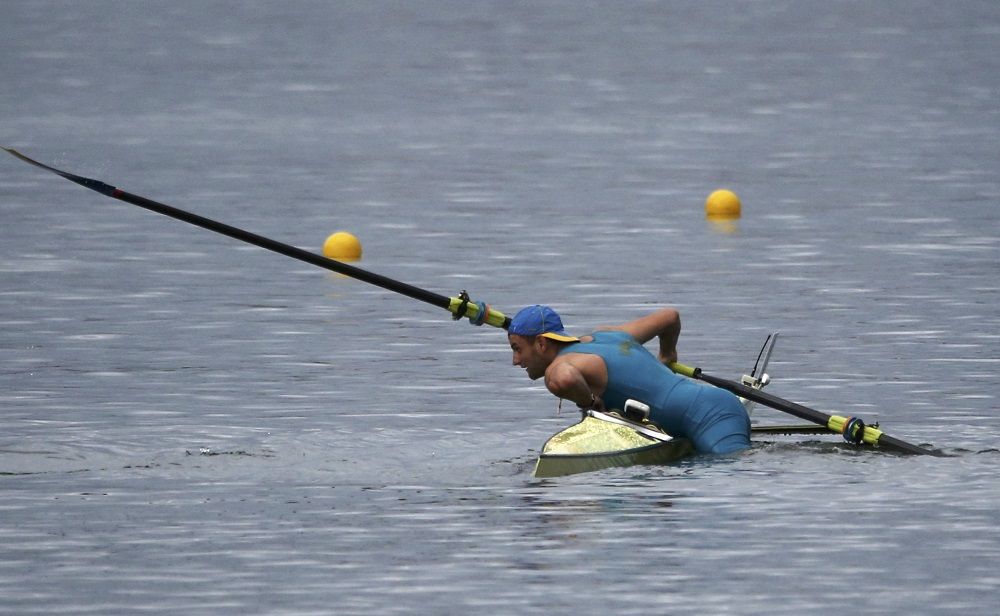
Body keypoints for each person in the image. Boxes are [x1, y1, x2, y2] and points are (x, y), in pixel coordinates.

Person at [507, 304, 751, 454]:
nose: (515, 360)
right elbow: (669, 317)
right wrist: (668, 354)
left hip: (710, 419)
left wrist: (589, 404)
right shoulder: (608, 335)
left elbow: (564, 380)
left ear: (541, 343)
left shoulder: (559, 367)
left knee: (741, 472)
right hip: (715, 405)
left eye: (517, 349)